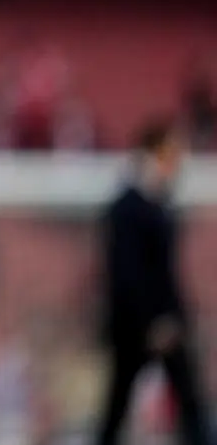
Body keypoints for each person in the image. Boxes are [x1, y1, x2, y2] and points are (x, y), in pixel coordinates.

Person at [96, 117, 209, 445]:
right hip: (138, 325)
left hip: (166, 320)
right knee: (118, 405)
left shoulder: (160, 205)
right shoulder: (127, 208)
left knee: (190, 402)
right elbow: (127, 274)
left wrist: (178, 316)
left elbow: (166, 272)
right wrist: (153, 321)